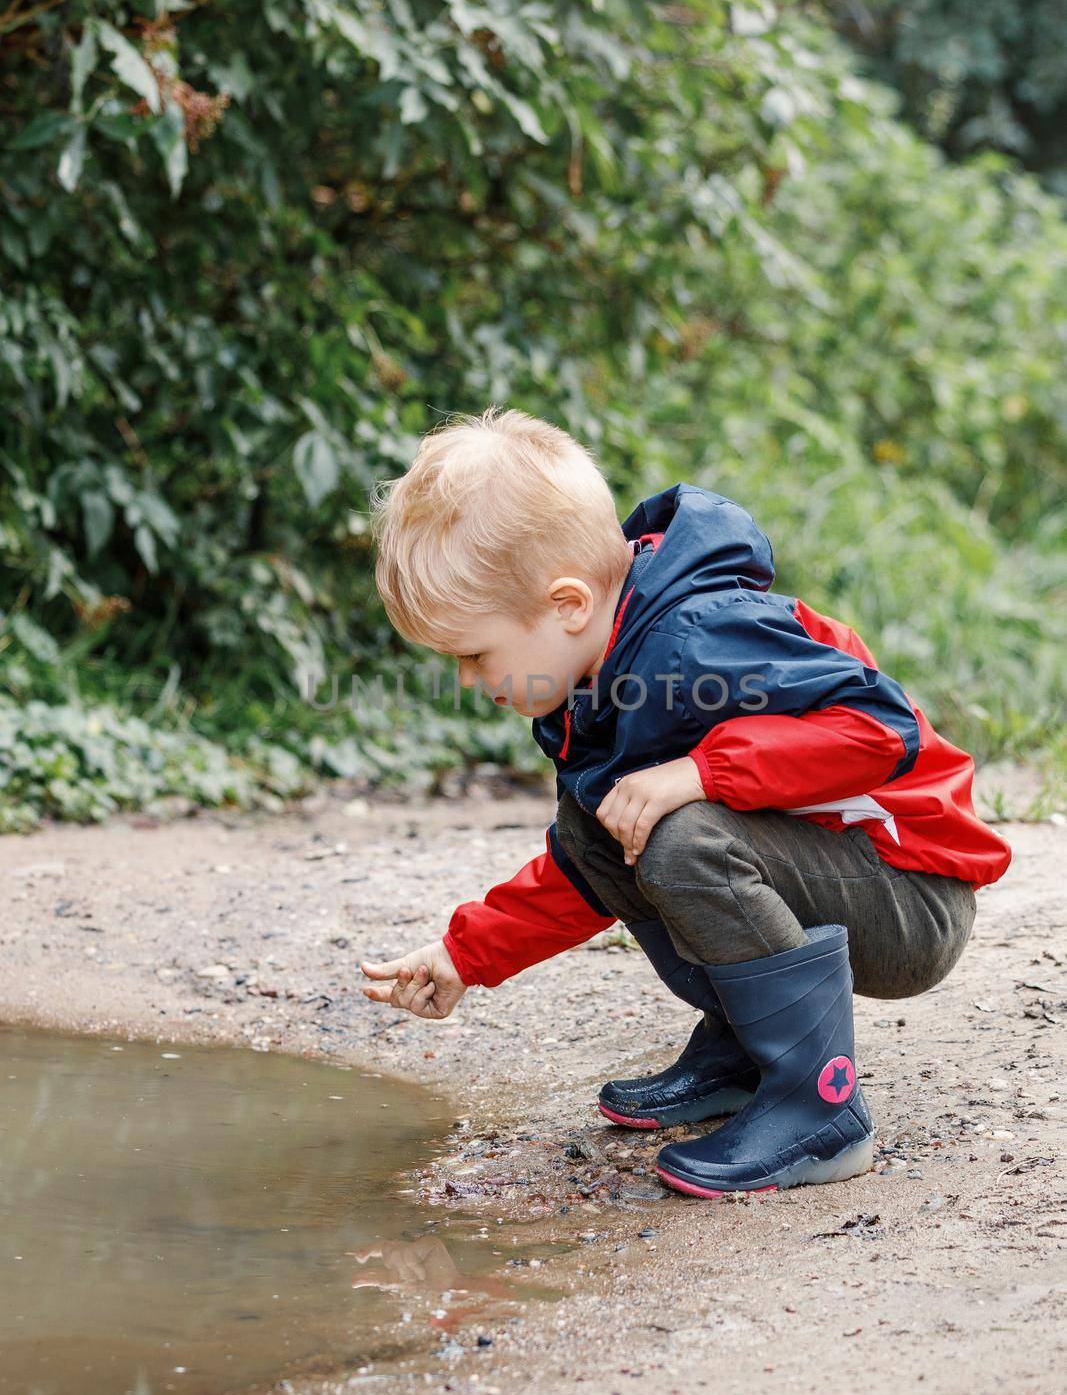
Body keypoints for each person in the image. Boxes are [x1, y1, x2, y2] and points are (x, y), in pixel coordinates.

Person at [360, 405, 1012, 1197]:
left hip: (910, 893)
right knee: (602, 821)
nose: (469, 680)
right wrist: (468, 953)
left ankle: (820, 1107)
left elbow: (880, 728)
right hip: (828, 873)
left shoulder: (699, 637)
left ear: (566, 604)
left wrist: (703, 772)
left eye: (474, 653)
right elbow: (581, 866)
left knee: (683, 835)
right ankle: (748, 1054)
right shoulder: (595, 677)